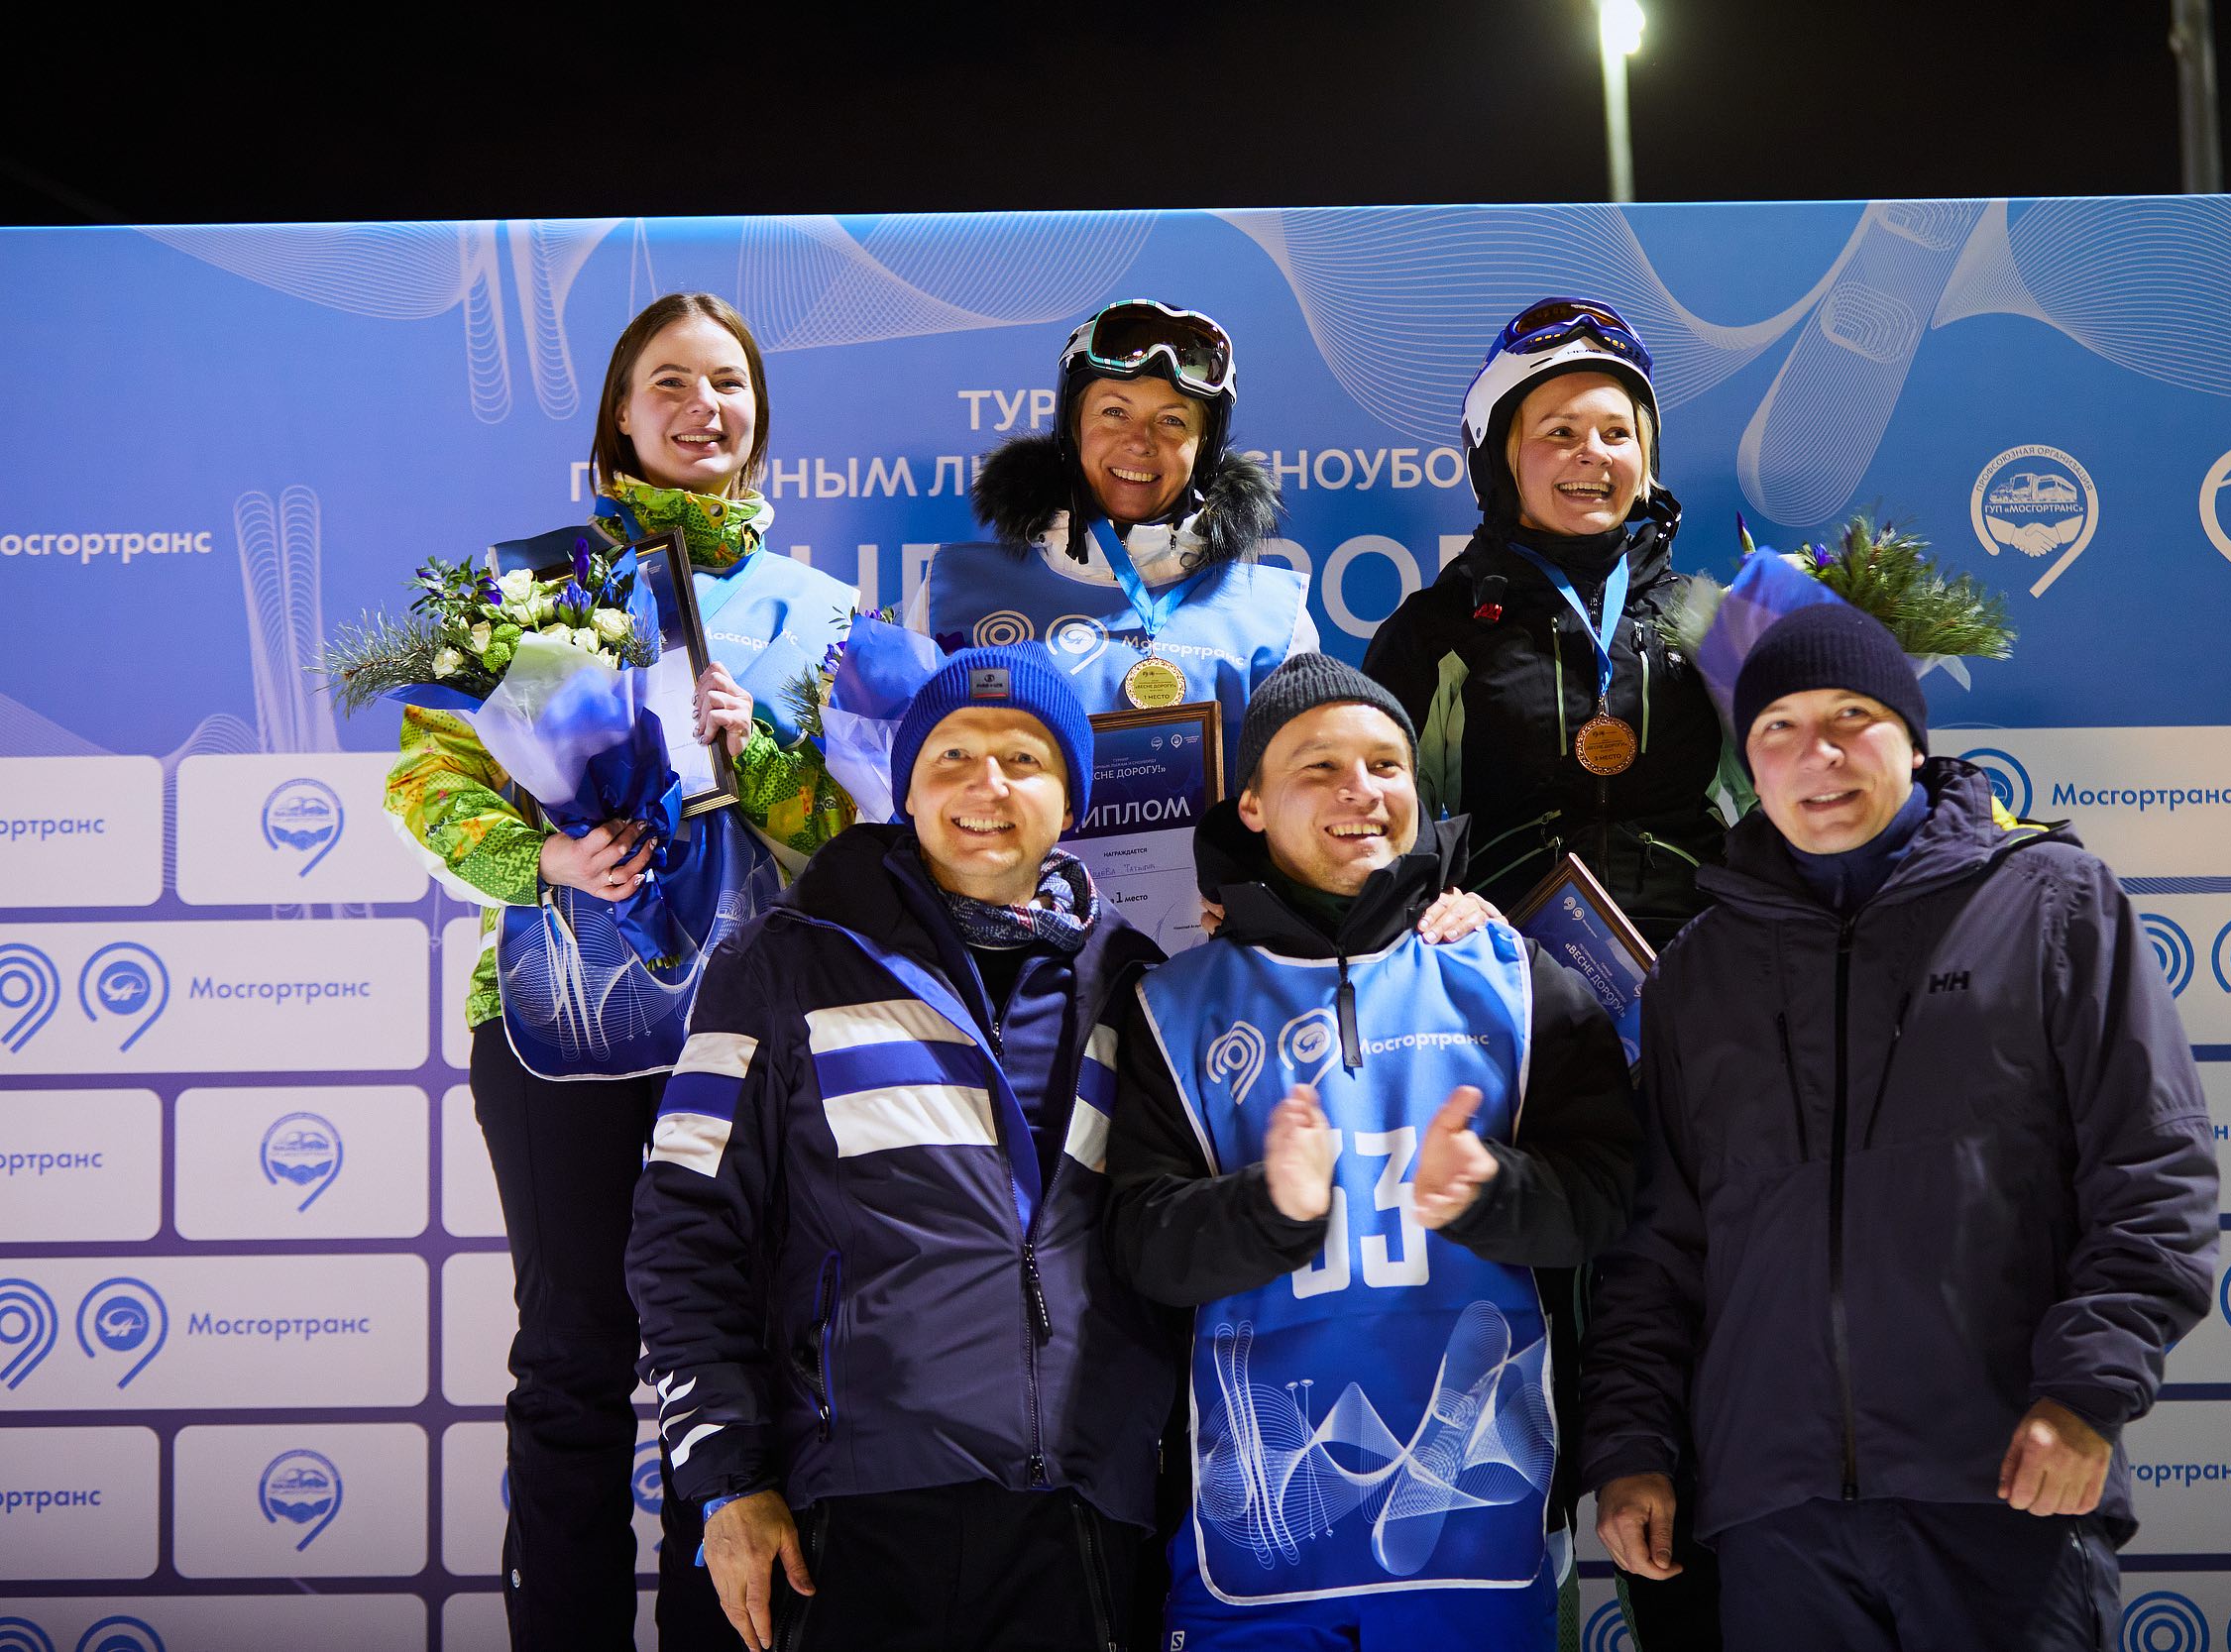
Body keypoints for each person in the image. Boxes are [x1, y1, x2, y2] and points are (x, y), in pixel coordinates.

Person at [1581, 602, 2220, 1648]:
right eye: (1778, 727)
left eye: (1852, 715)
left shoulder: (2052, 903)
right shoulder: (1698, 970)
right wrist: (1632, 1445)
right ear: (1751, 764)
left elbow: (2152, 1171)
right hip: (1774, 1513)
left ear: (1913, 739)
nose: (1817, 753)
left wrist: (2087, 1392)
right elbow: (1659, 1248)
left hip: (2003, 1482)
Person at [384, 292, 858, 1650]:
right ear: (620, 413)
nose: (704, 407)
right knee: (574, 1354)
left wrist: (763, 751)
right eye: (672, 382)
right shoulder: (524, 589)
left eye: (729, 383)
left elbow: (852, 829)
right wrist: (545, 859)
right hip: (558, 1020)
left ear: (759, 413)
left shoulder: (822, 612)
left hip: (745, 1030)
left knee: (738, 1357)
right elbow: (426, 781)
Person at [627, 646, 1181, 1652]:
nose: (986, 783)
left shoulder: (1137, 986)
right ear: (908, 791)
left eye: (1024, 758)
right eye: (952, 756)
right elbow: (683, 1229)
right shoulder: (785, 957)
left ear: (1071, 800)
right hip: (855, 1510)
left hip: (1082, 1514)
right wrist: (727, 1480)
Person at [1107, 653, 1639, 1650]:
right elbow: (1140, 1246)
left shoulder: (1514, 977)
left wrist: (1490, 1189)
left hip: (1480, 1537)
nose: (1361, 789)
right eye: (1319, 766)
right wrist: (1268, 1205)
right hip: (1251, 1554)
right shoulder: (1168, 1006)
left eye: (1387, 765)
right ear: (1252, 804)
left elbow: (1610, 1198)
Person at [1364, 297, 1726, 947]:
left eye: (1617, 433)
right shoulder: (1436, 630)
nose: (1593, 454)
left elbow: (1797, 803)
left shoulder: (1707, 616)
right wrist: (1435, 906)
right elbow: (1370, 825)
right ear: (1500, 459)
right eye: (1560, 433)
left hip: (1701, 961)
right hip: (1510, 963)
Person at [913, 297, 1311, 766]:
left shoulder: (1270, 621)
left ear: (1204, 450)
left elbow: (1302, 790)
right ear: (1073, 428)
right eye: (1114, 412)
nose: (1140, 442)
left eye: (1172, 420)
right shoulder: (955, 593)